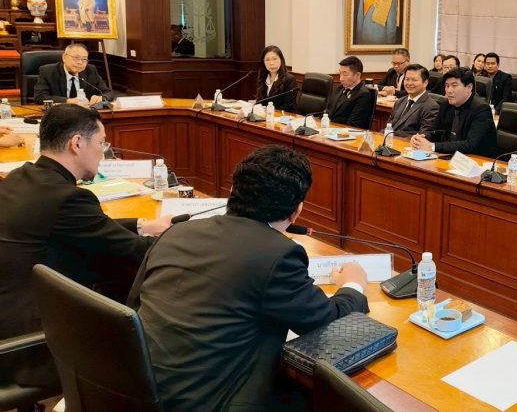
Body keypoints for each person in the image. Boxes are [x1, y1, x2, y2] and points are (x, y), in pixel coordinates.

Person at [129, 145, 369, 411]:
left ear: (232, 191)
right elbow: (325, 321)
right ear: (297, 211)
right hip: (209, 402)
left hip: (136, 390)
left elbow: (132, 305)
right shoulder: (278, 254)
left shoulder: (176, 232)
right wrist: (353, 284)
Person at [0, 104, 173, 389]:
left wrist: (143, 224)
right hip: (32, 348)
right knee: (151, 335)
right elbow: (136, 250)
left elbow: (82, 225)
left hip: (9, 319)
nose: (103, 152)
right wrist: (185, 239)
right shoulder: (68, 198)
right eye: (102, 143)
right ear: (77, 143)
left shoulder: (23, 177)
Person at [411, 67, 497, 158]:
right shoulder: (446, 104)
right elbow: (434, 131)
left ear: (469, 87)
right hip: (449, 156)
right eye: (447, 86)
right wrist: (422, 138)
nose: (449, 91)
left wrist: (432, 146)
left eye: (454, 85)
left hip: (477, 160)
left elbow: (470, 145)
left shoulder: (481, 109)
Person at [34, 43, 113, 105]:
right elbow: (40, 97)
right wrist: (69, 101)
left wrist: (101, 98)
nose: (80, 62)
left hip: (85, 115)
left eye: (84, 59)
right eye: (76, 58)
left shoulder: (91, 70)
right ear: (64, 57)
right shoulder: (48, 71)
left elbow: (108, 93)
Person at [386, 64, 440, 139]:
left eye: (414, 80)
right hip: (390, 141)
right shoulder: (399, 101)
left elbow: (423, 136)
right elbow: (388, 127)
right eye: (407, 79)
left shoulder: (431, 107)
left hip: (407, 144)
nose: (409, 83)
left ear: (425, 83)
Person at [326, 56, 375, 128]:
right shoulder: (339, 88)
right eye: (340, 73)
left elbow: (353, 124)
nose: (341, 78)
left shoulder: (363, 95)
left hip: (344, 132)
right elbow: (327, 112)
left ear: (357, 75)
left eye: (345, 74)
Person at [254, 45, 298, 112]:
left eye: (275, 59)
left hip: (285, 116)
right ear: (263, 62)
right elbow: (259, 102)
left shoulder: (289, 79)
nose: (271, 63)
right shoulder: (263, 77)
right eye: (267, 60)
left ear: (281, 60)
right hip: (265, 116)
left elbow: (288, 107)